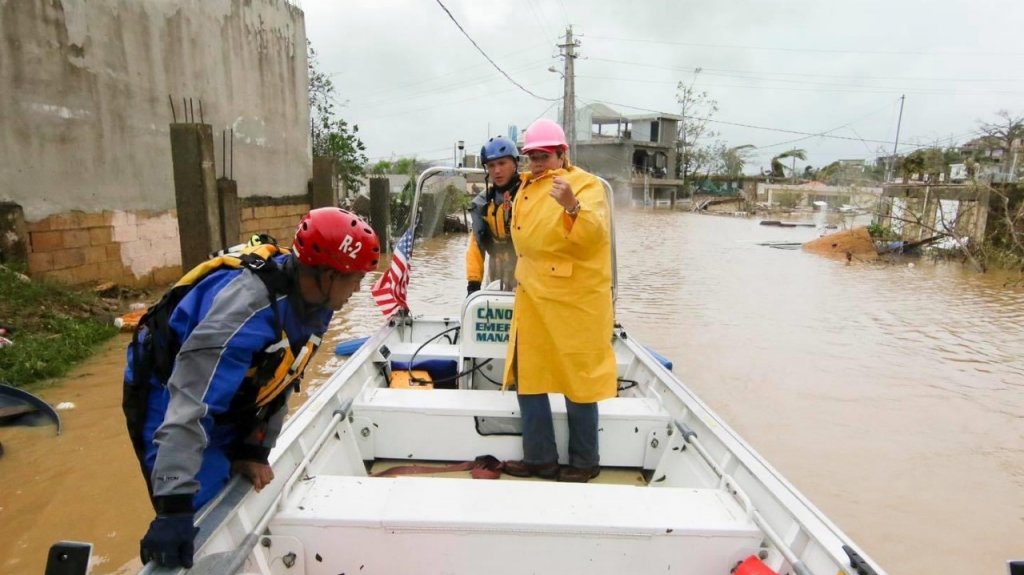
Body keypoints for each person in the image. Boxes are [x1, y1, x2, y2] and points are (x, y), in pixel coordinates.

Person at [122, 207, 380, 568]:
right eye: (354, 279)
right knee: (199, 510)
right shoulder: (244, 312)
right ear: (326, 274)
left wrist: (255, 447)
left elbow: (285, 374)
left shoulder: (316, 302)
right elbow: (192, 403)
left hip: (226, 388)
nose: (357, 289)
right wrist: (173, 505)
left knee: (235, 474)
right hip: (166, 390)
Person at [501, 118, 617, 483]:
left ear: (563, 153)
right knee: (529, 380)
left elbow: (594, 236)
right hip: (533, 298)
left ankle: (584, 463)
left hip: (574, 303)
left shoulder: (586, 186)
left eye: (543, 156)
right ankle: (540, 460)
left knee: (579, 381)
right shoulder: (525, 187)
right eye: (531, 157)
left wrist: (572, 207)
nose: (536, 163)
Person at [466, 136, 521, 293]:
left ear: (515, 164)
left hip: (525, 268)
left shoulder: (529, 194)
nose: (497, 170)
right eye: (491, 165)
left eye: (502, 163)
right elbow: (476, 245)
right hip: (496, 267)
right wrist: (473, 284)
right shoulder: (483, 203)